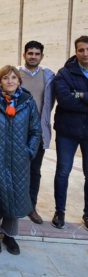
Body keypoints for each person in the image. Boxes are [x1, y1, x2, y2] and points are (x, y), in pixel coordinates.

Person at [0, 66, 41, 255]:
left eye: (14, 78)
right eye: (6, 78)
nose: (10, 81)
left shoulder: (28, 103)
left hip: (19, 160)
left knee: (16, 197)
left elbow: (35, 131)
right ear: (0, 81)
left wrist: (29, 151)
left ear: (19, 81)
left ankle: (10, 237)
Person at [51, 36, 88, 230]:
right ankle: (60, 211)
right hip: (67, 130)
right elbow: (64, 100)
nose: (85, 53)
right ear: (76, 51)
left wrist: (81, 95)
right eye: (81, 50)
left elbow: (73, 99)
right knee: (63, 172)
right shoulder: (64, 73)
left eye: (87, 49)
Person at [17, 41, 55, 225]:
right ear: (24, 55)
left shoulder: (49, 77)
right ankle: (15, 203)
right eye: (30, 53)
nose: (33, 56)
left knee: (34, 171)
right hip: (16, 132)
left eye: (36, 53)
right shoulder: (14, 74)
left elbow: (49, 103)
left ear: (42, 56)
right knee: (15, 169)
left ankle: (31, 206)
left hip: (37, 133)